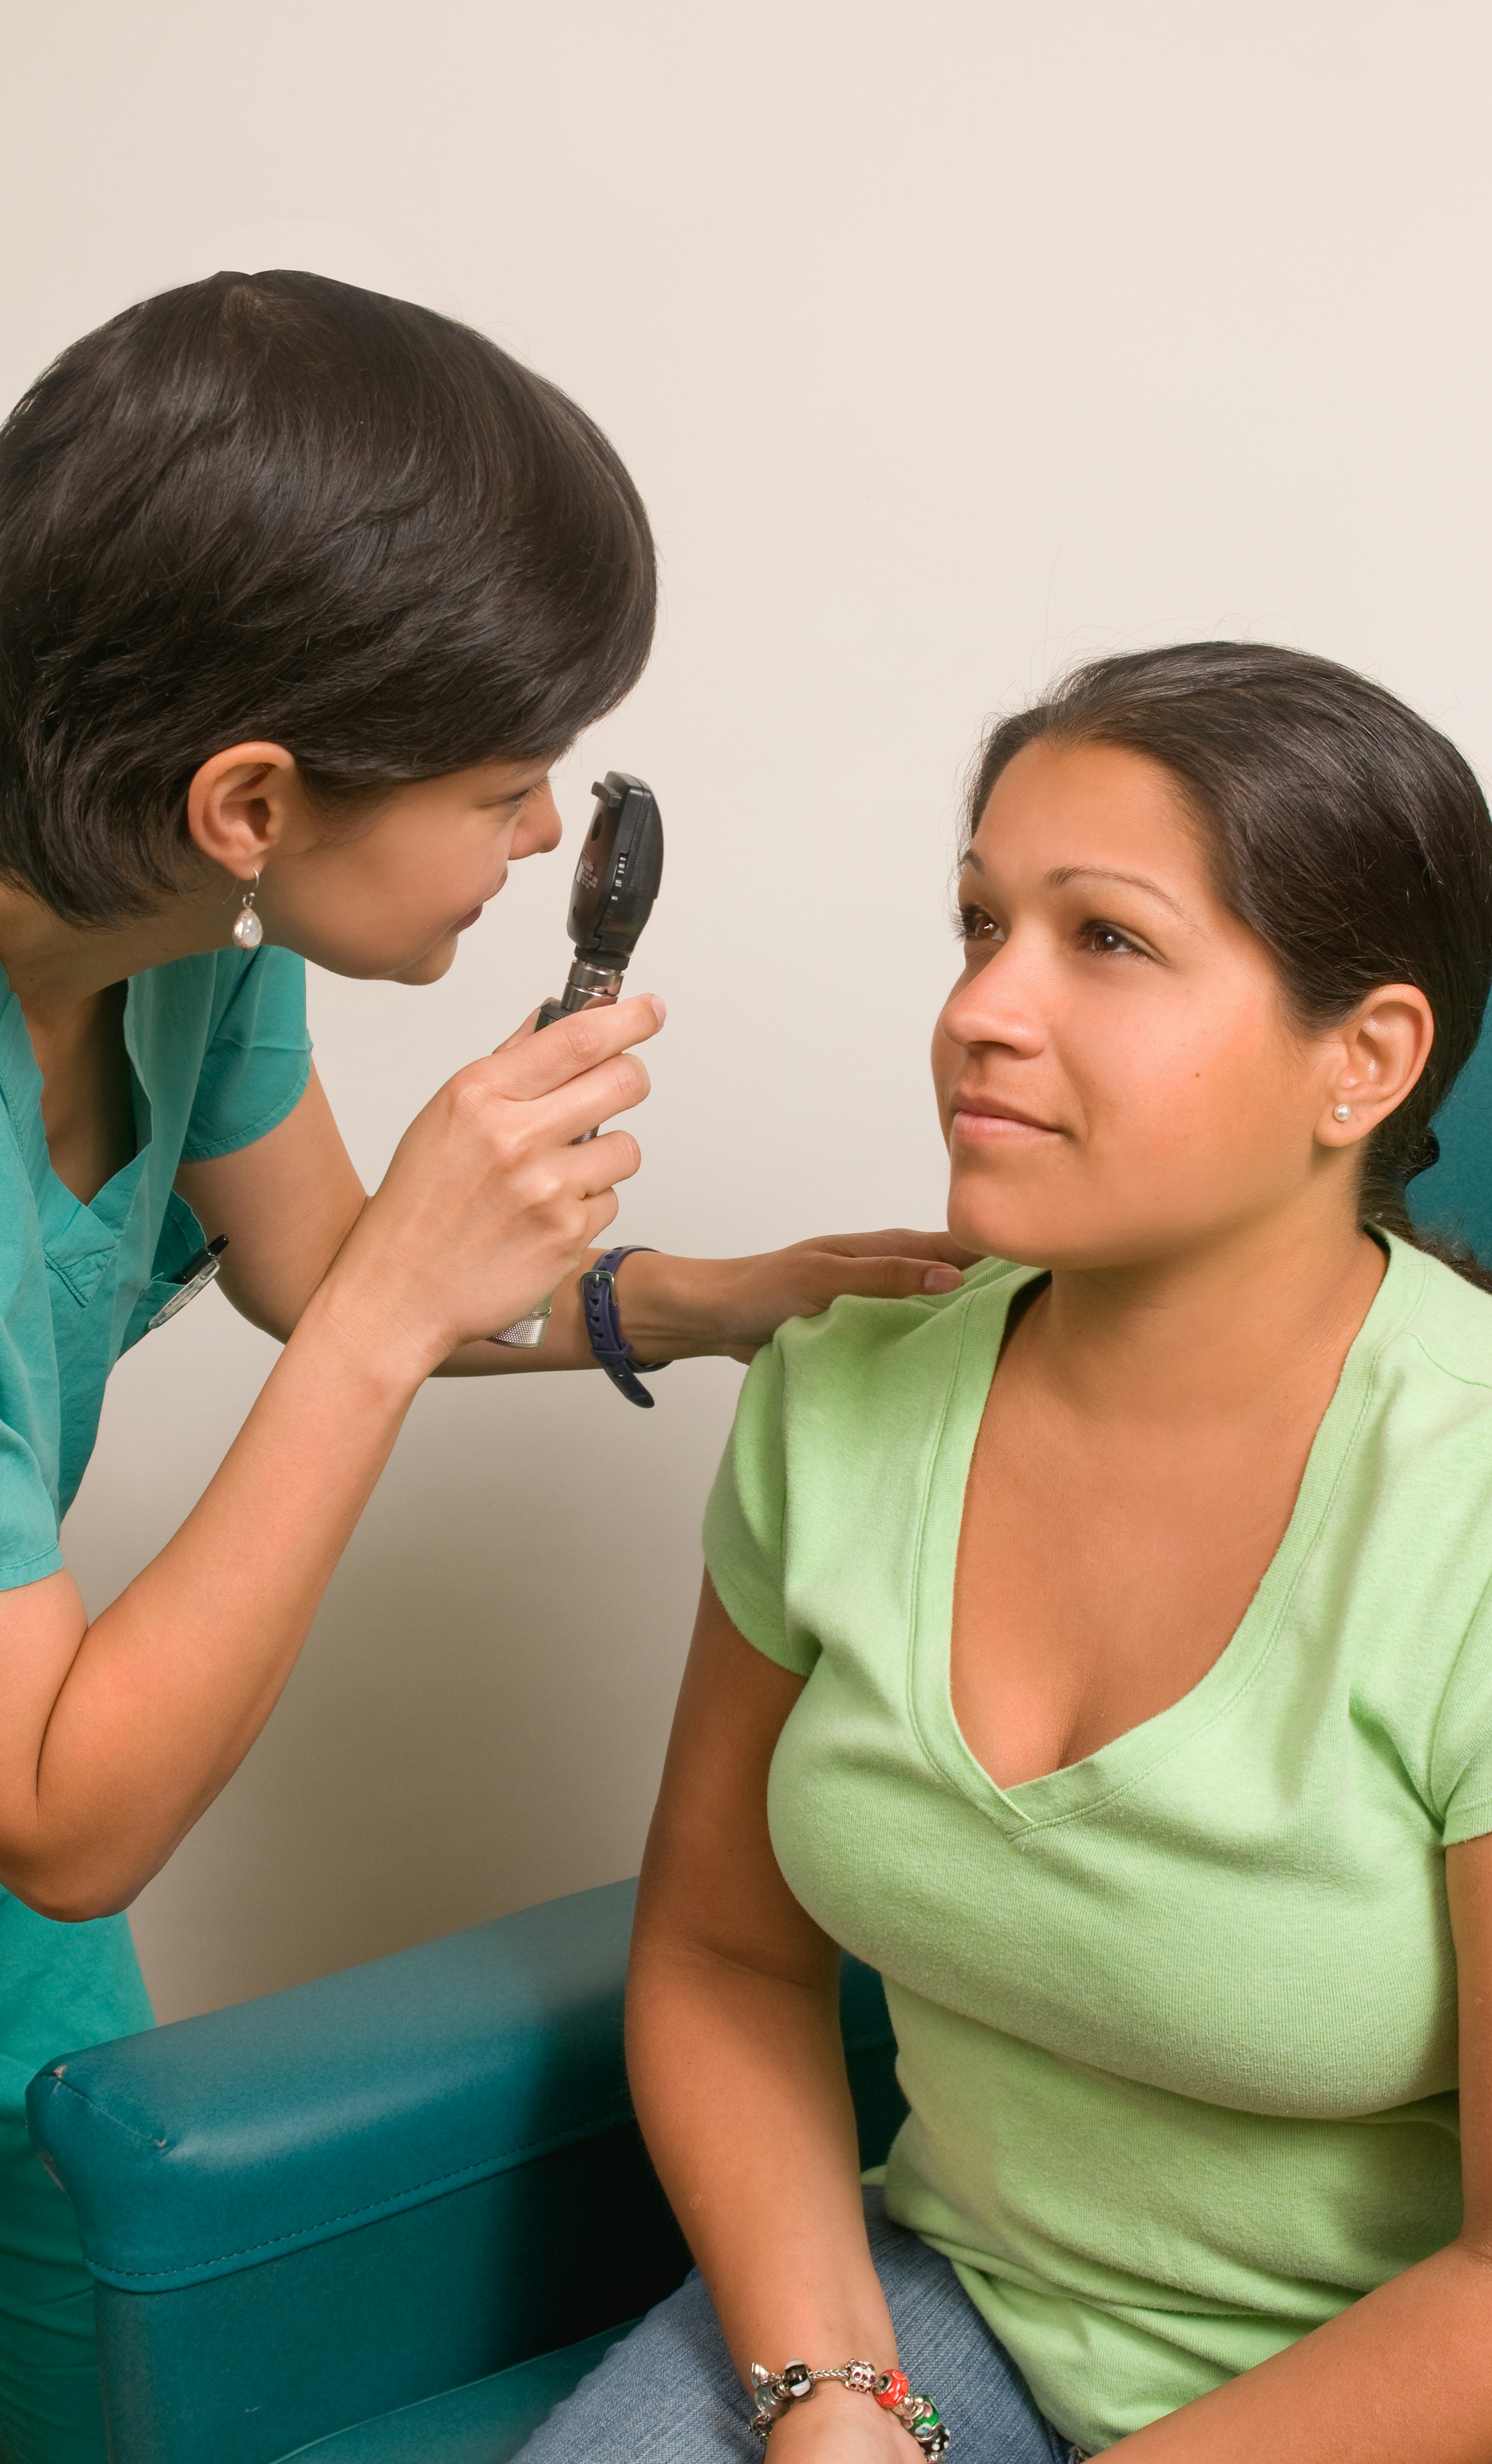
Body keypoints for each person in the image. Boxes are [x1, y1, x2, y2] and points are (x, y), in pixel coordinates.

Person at [0, 270, 965, 2464]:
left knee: (128, 2413)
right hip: (5, 1780)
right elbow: (75, 1812)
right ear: (251, 799)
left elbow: (317, 1269)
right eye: (507, 782)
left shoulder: (140, 879)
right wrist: (385, 1315)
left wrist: (716, 1295)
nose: (547, 838)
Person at [515, 642, 1492, 2464]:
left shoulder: (1468, 1513)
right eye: (979, 927)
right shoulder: (843, 1390)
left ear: (1359, 1060)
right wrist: (832, 2399)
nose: (980, 1010)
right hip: (939, 2311)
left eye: (1102, 941)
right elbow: (726, 1955)